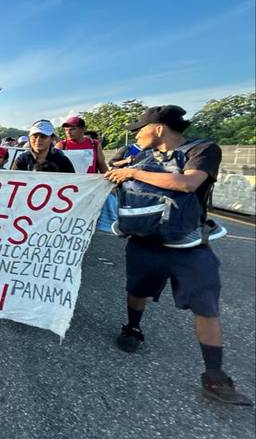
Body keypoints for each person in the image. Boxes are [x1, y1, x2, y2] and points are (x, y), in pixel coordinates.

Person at [104, 105, 252, 406]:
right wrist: (124, 166)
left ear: (158, 128)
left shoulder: (203, 150)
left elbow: (187, 183)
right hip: (145, 239)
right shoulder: (144, 157)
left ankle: (215, 376)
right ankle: (133, 327)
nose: (136, 135)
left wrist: (132, 171)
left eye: (140, 129)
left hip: (188, 244)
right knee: (137, 289)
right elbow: (112, 170)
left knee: (205, 306)